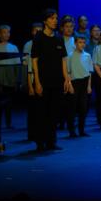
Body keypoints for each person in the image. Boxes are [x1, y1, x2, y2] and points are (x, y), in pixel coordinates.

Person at [31, 9, 66, 152]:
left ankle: (51, 141)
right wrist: (37, 82)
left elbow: (63, 59)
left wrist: (66, 78)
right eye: (52, 18)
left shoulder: (58, 38)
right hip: (43, 81)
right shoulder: (38, 37)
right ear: (45, 21)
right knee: (41, 113)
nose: (55, 20)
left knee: (53, 113)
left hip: (57, 81)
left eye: (56, 18)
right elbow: (34, 60)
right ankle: (40, 142)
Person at [62, 34, 93, 137]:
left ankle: (81, 130)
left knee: (83, 108)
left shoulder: (87, 55)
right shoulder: (70, 56)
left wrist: (89, 86)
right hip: (74, 82)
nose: (82, 44)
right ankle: (71, 130)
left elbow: (89, 72)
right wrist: (69, 84)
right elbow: (68, 72)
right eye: (80, 42)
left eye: (84, 42)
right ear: (75, 43)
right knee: (72, 108)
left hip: (84, 83)